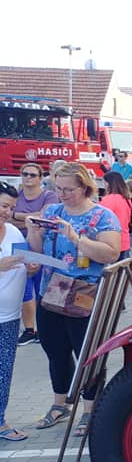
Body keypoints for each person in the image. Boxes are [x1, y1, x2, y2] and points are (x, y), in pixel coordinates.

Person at [26, 162, 121, 437]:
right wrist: (33, 232)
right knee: (55, 350)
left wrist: (76, 237)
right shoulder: (52, 211)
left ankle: (91, 409)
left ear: (84, 187)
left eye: (69, 189)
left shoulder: (103, 216)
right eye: (58, 188)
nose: (62, 194)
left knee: (87, 354)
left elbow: (111, 253)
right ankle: (60, 405)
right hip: (51, 292)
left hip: (84, 294)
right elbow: (38, 250)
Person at [11, 163, 56, 346]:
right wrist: (31, 219)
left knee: (42, 287)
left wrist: (18, 215)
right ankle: (30, 329)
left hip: (40, 245)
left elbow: (45, 218)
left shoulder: (48, 195)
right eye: (25, 174)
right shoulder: (17, 195)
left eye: (32, 174)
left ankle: (45, 330)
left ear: (40, 177)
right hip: (19, 244)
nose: (28, 177)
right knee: (24, 287)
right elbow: (7, 218)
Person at [0, 181, 29, 441]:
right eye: (2, 206)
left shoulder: (14, 232)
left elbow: (24, 262)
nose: (6, 212)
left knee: (4, 370)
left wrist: (31, 267)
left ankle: (0, 421)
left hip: (9, 316)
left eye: (10, 207)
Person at [99, 172, 132, 261]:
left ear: (109, 183)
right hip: (124, 239)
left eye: (104, 182)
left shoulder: (108, 200)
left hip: (110, 241)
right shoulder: (126, 199)